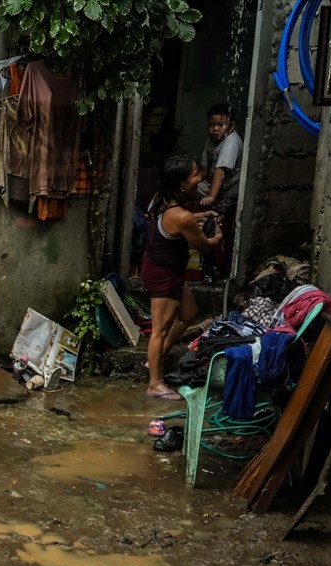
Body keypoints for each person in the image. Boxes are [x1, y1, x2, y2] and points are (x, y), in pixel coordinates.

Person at [143, 154, 224, 401]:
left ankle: (156, 359)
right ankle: (155, 384)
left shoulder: (159, 201)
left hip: (163, 268)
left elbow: (178, 222)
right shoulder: (181, 216)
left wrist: (201, 217)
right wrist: (217, 234)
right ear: (180, 183)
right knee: (159, 330)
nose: (199, 178)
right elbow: (204, 246)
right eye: (194, 175)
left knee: (189, 314)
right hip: (164, 275)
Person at [197, 102, 242, 281]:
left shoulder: (231, 143)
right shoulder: (211, 142)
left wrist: (211, 197)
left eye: (220, 125)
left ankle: (212, 269)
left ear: (231, 126)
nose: (215, 129)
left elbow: (220, 171)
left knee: (213, 224)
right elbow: (204, 170)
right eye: (212, 124)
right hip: (212, 186)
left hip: (228, 192)